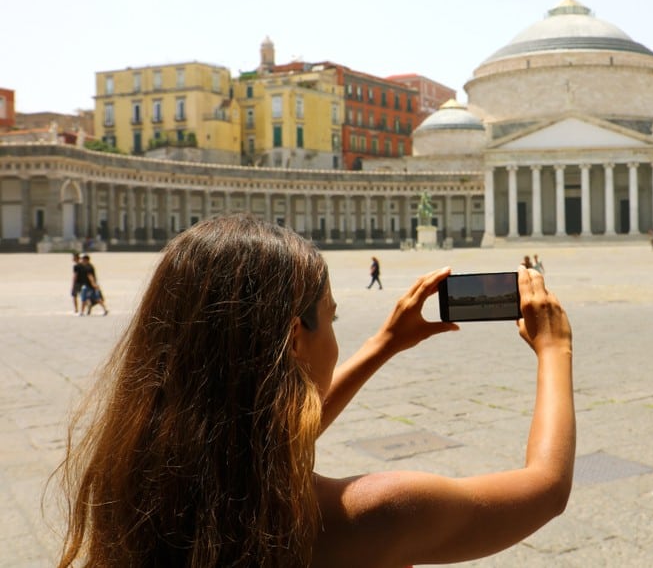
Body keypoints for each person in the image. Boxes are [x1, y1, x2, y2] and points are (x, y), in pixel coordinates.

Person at [55, 214, 575, 567]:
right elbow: (546, 489)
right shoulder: (375, 513)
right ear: (295, 338)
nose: (336, 331)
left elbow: (257, 434)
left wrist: (382, 346)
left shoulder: (138, 485)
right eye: (331, 316)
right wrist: (555, 351)